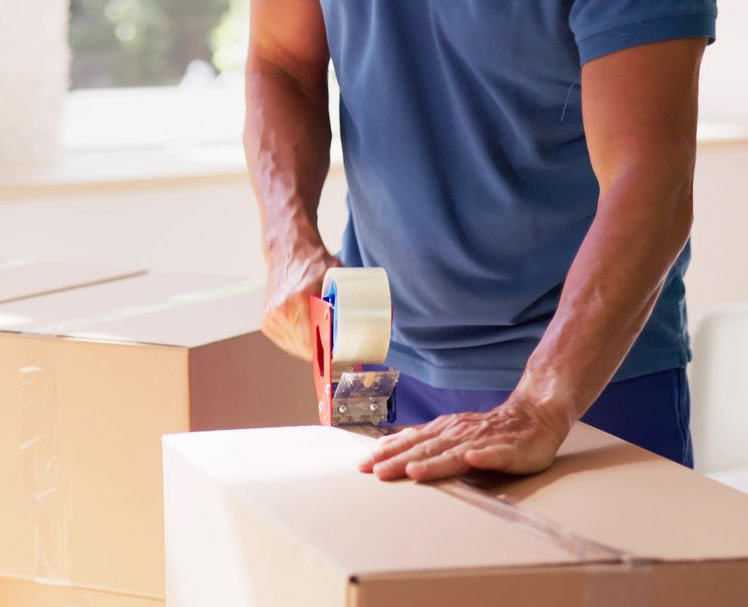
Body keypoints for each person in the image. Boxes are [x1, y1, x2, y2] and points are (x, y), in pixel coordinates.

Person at [246, 0, 715, 481]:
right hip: (378, 363)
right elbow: (282, 63)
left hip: (587, 380)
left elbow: (653, 181)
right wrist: (288, 245)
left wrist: (540, 405)